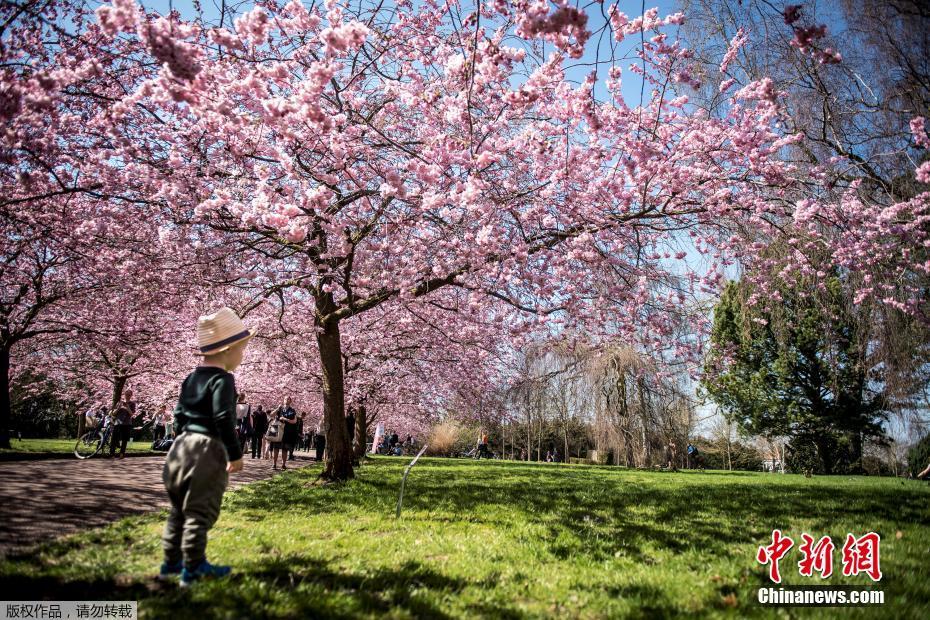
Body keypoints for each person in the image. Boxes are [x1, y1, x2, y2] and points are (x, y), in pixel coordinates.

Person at [160, 306, 252, 586]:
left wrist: (180, 439)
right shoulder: (223, 379)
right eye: (241, 350)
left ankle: (170, 563)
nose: (242, 356)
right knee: (199, 511)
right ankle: (194, 567)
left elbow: (178, 414)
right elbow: (224, 417)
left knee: (178, 510)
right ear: (227, 351)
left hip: (181, 448)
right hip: (206, 449)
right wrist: (234, 453)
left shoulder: (190, 378)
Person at [109, 390, 136, 459]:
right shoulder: (119, 403)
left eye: (129, 395)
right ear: (124, 395)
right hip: (118, 423)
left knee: (124, 439)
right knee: (114, 438)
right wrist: (118, 408)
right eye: (126, 394)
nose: (127, 396)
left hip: (127, 423)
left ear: (131, 396)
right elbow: (113, 413)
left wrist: (127, 407)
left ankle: (122, 454)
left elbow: (131, 414)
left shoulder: (132, 404)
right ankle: (112, 454)